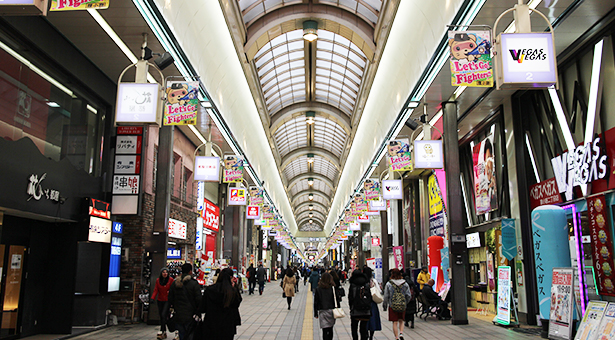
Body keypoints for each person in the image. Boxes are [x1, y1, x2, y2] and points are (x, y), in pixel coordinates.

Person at [198, 268, 242, 340]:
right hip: (227, 325)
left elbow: (202, 307)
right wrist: (235, 289)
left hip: (210, 324)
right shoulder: (231, 292)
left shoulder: (209, 290)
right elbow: (236, 304)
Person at [168, 263, 202, 340]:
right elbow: (199, 299)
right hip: (190, 315)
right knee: (190, 334)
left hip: (178, 314)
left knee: (181, 333)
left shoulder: (175, 283)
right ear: (190, 271)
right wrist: (198, 311)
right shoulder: (193, 283)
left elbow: (170, 298)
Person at [383, 269, 412, 340]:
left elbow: (386, 295)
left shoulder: (389, 284)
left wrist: (385, 305)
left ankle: (396, 337)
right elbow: (408, 295)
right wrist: (405, 302)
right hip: (402, 304)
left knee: (395, 322)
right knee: (401, 320)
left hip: (392, 305)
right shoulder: (405, 283)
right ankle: (401, 333)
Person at [314, 272, 341, 340]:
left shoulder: (318, 289)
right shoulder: (332, 288)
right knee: (330, 328)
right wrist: (338, 308)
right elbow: (337, 299)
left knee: (324, 330)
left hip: (322, 311)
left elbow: (316, 302)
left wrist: (315, 313)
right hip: (331, 310)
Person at [348, 269, 372, 340]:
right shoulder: (366, 284)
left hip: (355, 309)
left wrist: (351, 308)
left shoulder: (353, 285)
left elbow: (350, 298)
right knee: (363, 328)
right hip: (365, 310)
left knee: (354, 327)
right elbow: (369, 297)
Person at [152, 267, 174, 339]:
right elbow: (156, 290)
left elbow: (173, 289)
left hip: (167, 300)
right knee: (162, 316)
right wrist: (153, 298)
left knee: (163, 314)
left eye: (166, 272)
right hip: (160, 299)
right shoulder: (158, 280)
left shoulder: (171, 280)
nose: (165, 274)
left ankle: (163, 330)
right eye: (163, 272)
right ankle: (163, 331)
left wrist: (170, 293)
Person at [363, 267, 381, 340]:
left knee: (365, 320)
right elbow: (379, 290)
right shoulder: (373, 281)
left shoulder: (362, 281)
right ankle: (371, 336)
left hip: (364, 303)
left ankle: (365, 334)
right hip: (372, 303)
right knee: (373, 319)